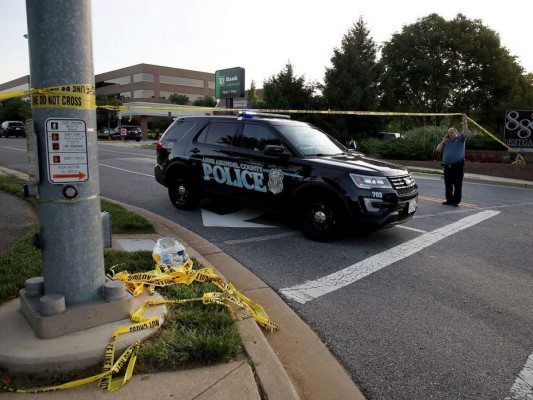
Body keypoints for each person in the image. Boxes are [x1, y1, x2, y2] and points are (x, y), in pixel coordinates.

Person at [435, 114, 468, 207]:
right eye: (449, 133)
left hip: (457, 167)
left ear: (456, 133)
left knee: (457, 185)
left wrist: (465, 122)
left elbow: (465, 132)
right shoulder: (446, 142)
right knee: (448, 185)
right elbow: (438, 149)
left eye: (452, 132)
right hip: (447, 168)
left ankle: (456, 201)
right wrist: (443, 141)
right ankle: (449, 200)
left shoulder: (460, 140)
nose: (450, 134)